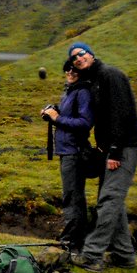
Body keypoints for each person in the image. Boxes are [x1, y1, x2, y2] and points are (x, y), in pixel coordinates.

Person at [66, 41, 137, 272]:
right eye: (74, 58)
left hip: (125, 146)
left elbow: (122, 113)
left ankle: (92, 255)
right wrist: (71, 81)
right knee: (112, 200)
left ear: (91, 53)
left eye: (81, 54)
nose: (78, 59)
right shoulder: (92, 80)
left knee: (109, 199)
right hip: (111, 148)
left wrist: (114, 151)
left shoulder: (111, 75)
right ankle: (124, 256)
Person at [41, 59, 93, 250]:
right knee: (73, 195)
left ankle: (71, 242)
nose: (70, 73)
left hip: (75, 151)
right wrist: (52, 113)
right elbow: (67, 119)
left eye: (75, 70)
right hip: (67, 150)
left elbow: (84, 123)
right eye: (67, 69)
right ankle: (76, 240)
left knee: (72, 197)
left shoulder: (83, 92)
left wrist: (57, 117)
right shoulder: (71, 90)